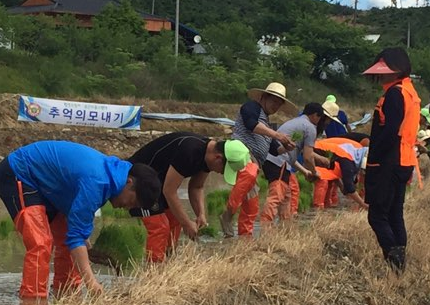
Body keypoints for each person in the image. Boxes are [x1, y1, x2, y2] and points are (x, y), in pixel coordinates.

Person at [0, 141, 160, 298]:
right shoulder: (98, 181)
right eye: (133, 201)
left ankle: (67, 295)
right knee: (40, 243)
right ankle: (32, 304)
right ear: (129, 182)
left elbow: (77, 227)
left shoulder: (109, 178)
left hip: (48, 186)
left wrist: (83, 239)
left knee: (69, 244)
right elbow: (76, 237)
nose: (128, 207)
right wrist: (92, 283)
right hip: (20, 173)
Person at [129, 134, 250, 261]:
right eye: (224, 170)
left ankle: (167, 264)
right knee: (160, 227)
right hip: (138, 181)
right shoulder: (189, 151)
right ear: (218, 158)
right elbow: (169, 191)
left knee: (175, 221)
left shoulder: (209, 156)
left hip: (159, 184)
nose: (221, 173)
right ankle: (153, 272)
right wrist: (187, 223)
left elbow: (196, 187)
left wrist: (201, 214)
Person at [362, 47, 421, 272]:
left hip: (389, 161)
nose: (380, 76)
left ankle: (394, 260)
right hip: (404, 160)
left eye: (384, 70)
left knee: (377, 215)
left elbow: (389, 133)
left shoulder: (395, 94)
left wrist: (374, 159)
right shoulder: (409, 91)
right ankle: (399, 263)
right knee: (395, 213)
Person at [221, 82, 296, 238]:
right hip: (241, 152)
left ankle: (244, 238)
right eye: (274, 101)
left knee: (252, 205)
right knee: (249, 173)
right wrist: (277, 135)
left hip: (255, 162)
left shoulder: (267, 124)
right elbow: (250, 124)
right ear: (264, 97)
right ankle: (227, 214)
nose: (276, 106)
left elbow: (275, 150)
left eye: (279, 104)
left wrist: (285, 147)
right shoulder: (251, 107)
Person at [260, 102, 333, 225]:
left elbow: (291, 156)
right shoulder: (310, 127)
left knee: (287, 196)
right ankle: (265, 228)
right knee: (276, 196)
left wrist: (305, 171)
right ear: (315, 115)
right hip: (279, 161)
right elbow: (308, 157)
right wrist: (315, 173)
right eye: (320, 118)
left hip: (274, 160)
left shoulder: (296, 123)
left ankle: (286, 228)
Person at [313, 137, 369, 211]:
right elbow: (349, 188)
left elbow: (335, 172)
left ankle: (325, 207)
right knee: (323, 181)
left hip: (322, 151)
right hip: (314, 151)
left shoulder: (353, 152)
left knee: (330, 179)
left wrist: (342, 186)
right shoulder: (348, 161)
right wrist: (363, 204)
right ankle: (317, 209)